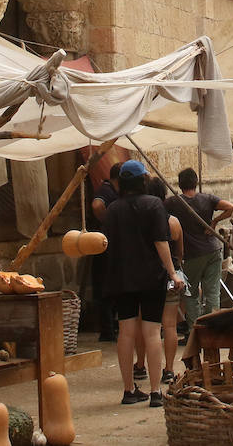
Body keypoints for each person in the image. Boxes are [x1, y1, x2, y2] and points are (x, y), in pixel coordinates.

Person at [102, 159, 186, 408]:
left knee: (126, 331)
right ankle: (155, 393)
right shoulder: (154, 205)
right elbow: (161, 242)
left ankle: (129, 390)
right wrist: (173, 273)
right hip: (151, 277)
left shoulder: (112, 210)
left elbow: (106, 244)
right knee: (152, 332)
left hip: (122, 278)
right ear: (142, 182)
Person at [166, 167, 233, 332]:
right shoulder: (208, 198)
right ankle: (213, 329)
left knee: (191, 294)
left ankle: (195, 331)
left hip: (192, 254)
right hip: (213, 251)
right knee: (212, 293)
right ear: (196, 183)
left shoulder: (173, 202)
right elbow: (231, 207)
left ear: (180, 185)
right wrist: (214, 222)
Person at [148, 177, 184, 386]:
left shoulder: (144, 220)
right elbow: (180, 251)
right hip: (172, 276)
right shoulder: (173, 221)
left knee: (147, 325)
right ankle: (169, 369)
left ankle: (142, 366)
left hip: (150, 276)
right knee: (170, 326)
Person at [89, 162, 124, 341]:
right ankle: (107, 330)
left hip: (111, 247)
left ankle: (112, 326)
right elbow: (97, 205)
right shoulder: (106, 190)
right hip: (104, 247)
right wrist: (107, 223)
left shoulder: (115, 192)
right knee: (105, 288)